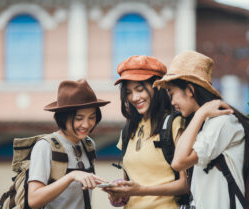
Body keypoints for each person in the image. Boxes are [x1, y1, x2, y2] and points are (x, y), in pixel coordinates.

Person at [153, 51, 249, 209]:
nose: (172, 102)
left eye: (172, 94)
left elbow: (178, 162)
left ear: (190, 90)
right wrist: (201, 115)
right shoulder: (205, 124)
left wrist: (201, 112)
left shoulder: (223, 122)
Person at [105, 55, 189, 209]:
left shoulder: (173, 123)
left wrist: (141, 191)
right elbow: (130, 182)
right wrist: (118, 193)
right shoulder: (128, 129)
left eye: (140, 89)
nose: (134, 97)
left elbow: (186, 184)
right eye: (129, 92)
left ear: (157, 87)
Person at [27, 79, 110, 209]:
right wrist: (71, 176)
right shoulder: (45, 146)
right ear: (63, 117)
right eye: (79, 118)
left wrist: (109, 188)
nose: (86, 124)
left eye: (92, 117)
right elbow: (33, 200)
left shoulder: (88, 144)